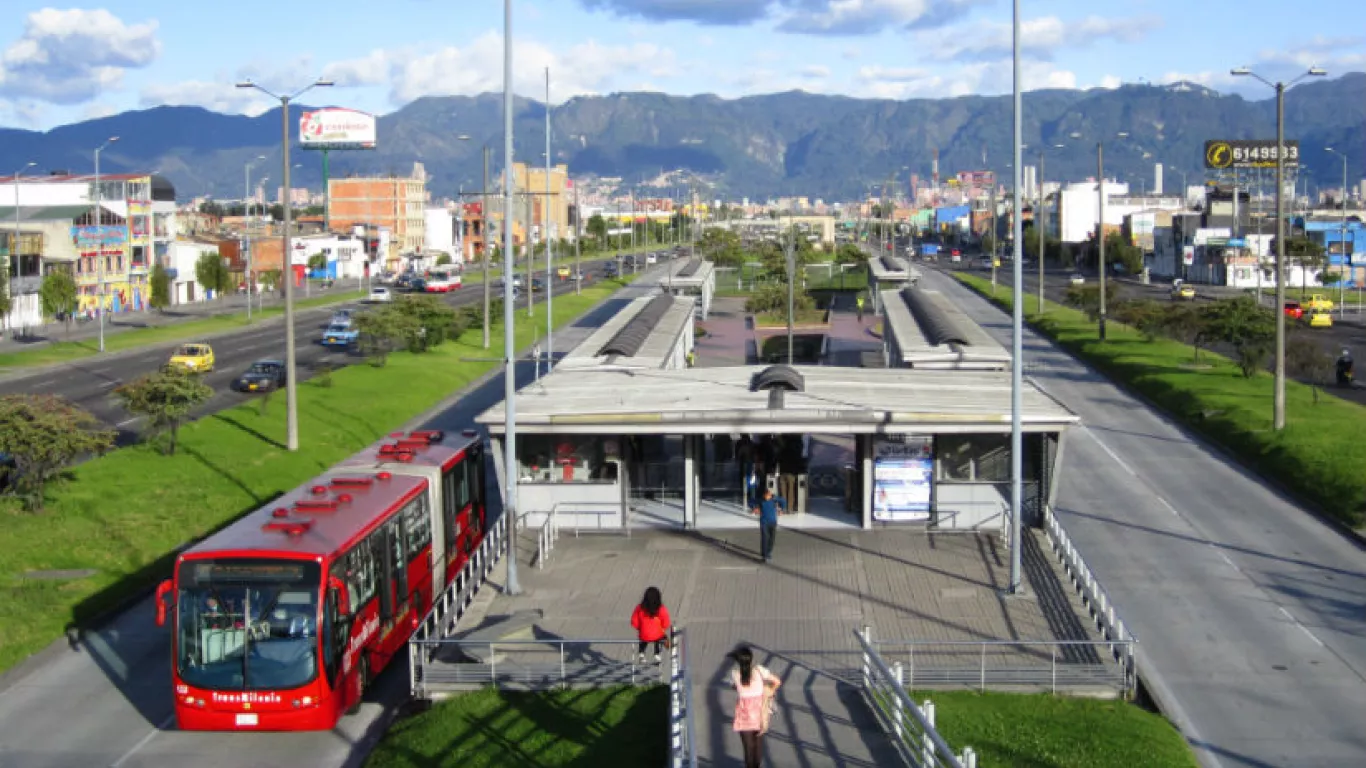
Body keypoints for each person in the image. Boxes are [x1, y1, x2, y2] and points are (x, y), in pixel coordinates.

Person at [728, 645, 781, 768]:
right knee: (757, 748)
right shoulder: (759, 671)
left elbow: (735, 686)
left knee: (748, 749)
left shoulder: (735, 675)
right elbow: (777, 681)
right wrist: (769, 691)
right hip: (760, 714)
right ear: (751, 659)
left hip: (744, 716)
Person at [630, 586, 671, 663]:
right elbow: (666, 622)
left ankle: (641, 653)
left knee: (643, 639)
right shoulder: (661, 608)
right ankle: (657, 654)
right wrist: (663, 627)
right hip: (657, 634)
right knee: (660, 637)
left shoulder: (640, 608)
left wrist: (640, 628)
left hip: (644, 634)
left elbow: (634, 621)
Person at [751, 488, 786, 563]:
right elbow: (751, 501)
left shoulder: (774, 499)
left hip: (773, 522)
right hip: (764, 522)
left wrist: (781, 510)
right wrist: (754, 508)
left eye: (769, 495)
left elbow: (783, 501)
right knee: (765, 538)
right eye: (766, 496)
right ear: (764, 495)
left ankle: (768, 552)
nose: (768, 497)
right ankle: (765, 555)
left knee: (772, 539)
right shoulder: (760, 500)